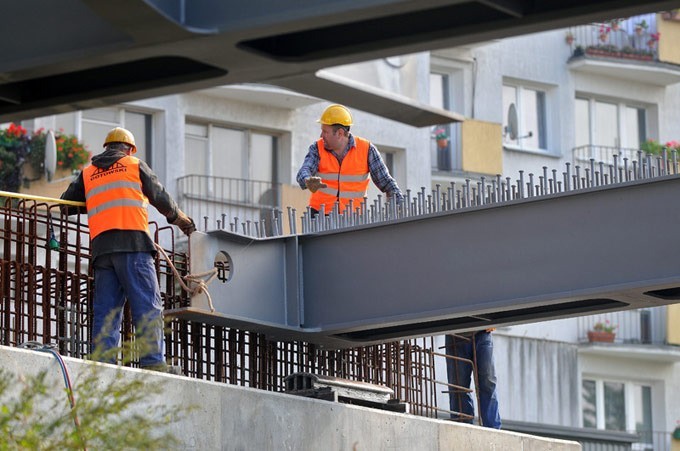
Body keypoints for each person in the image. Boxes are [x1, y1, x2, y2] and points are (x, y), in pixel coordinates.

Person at [60, 127, 196, 372]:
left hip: (102, 250)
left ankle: (102, 364)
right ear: (129, 149)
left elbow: (65, 205)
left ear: (106, 147)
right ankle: (153, 362)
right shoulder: (134, 164)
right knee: (147, 305)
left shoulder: (88, 173)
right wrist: (180, 219)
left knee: (107, 311)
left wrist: (92, 200)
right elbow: (160, 197)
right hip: (133, 245)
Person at [296, 104, 403, 216]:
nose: (321, 135)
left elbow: (386, 182)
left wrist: (399, 201)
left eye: (325, 131)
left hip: (353, 219)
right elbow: (304, 171)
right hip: (319, 216)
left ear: (340, 133)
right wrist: (307, 180)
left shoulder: (367, 150)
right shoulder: (317, 148)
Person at [445, 329, 501, 429]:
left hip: (482, 331)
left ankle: (493, 429)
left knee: (487, 382)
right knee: (458, 386)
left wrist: (495, 319)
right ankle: (462, 429)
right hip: (454, 332)